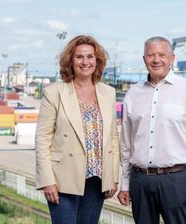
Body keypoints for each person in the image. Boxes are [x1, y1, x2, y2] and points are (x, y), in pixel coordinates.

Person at [117, 36, 186, 224]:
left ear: (172, 58)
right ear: (144, 59)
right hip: (140, 180)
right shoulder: (132, 94)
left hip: (176, 180)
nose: (156, 59)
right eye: (151, 55)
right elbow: (126, 144)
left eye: (162, 54)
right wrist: (125, 184)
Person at [35, 35, 119, 224]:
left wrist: (112, 176)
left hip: (97, 179)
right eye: (79, 57)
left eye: (90, 57)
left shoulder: (108, 93)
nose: (85, 62)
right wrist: (47, 180)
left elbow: (112, 137)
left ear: (97, 61)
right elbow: (42, 139)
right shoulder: (54, 93)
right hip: (63, 179)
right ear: (70, 61)